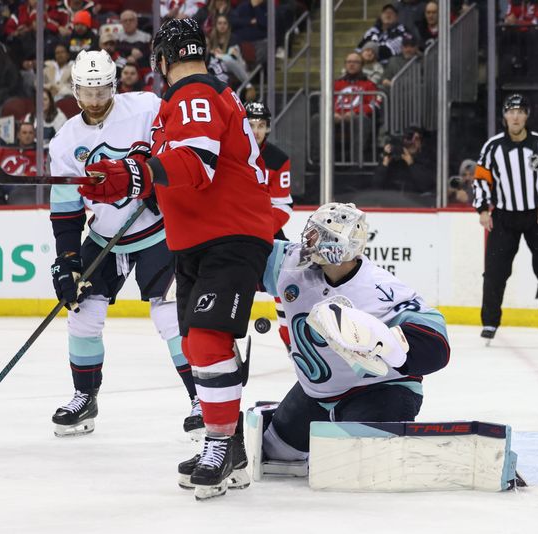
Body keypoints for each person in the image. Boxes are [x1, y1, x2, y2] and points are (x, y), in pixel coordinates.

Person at [78, 18, 273, 500]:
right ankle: (232, 452)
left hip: (226, 235)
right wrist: (123, 172)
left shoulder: (195, 95)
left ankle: (218, 443)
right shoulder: (183, 104)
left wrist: (133, 178)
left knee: (206, 341)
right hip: (199, 239)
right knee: (200, 345)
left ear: (161, 62)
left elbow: (194, 165)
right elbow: (162, 158)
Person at [46, 50, 203, 440]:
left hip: (158, 232)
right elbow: (66, 212)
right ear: (75, 90)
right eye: (87, 92)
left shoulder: (147, 108)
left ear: (114, 87)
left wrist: (159, 184)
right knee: (82, 311)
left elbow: (175, 146)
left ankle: (201, 397)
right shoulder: (66, 142)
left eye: (101, 92)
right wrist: (67, 259)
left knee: (169, 315)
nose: (95, 101)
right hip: (104, 237)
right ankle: (85, 396)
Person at [257, 202, 450, 470]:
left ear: (338, 246)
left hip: (381, 390)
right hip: (317, 392)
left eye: (319, 234)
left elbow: (437, 344)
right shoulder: (291, 262)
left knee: (360, 466)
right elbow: (245, 256)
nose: (308, 239)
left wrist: (388, 343)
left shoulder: (380, 289)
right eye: (311, 230)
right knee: (276, 454)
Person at [471, 94, 538, 345]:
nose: (515, 116)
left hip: (537, 218)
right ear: (504, 116)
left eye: (520, 111)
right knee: (494, 273)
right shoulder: (493, 146)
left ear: (526, 116)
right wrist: (482, 209)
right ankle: (490, 322)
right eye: (511, 111)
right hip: (503, 217)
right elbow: (482, 179)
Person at [246, 101, 293, 350]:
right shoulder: (227, 153)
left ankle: (292, 342)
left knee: (285, 287)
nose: (256, 131)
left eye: (261, 125)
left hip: (267, 233)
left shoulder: (277, 159)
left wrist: (260, 229)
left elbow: (283, 206)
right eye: (251, 124)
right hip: (236, 232)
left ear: (268, 128)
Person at [374, 126, 435, 198]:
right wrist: (384, 164)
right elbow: (376, 187)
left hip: (416, 203)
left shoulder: (426, 160)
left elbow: (426, 186)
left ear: (421, 143)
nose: (413, 141)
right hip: (391, 203)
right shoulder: (393, 161)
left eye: (417, 139)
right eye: (409, 137)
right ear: (403, 140)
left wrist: (411, 164)